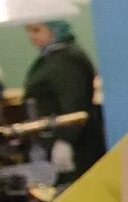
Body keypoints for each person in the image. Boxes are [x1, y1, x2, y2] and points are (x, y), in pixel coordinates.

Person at [22, 20, 105, 179]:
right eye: (28, 31)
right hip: (54, 139)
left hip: (77, 143)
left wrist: (65, 141)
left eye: (36, 30)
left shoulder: (67, 59)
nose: (31, 37)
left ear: (55, 29)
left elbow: (74, 103)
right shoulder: (52, 57)